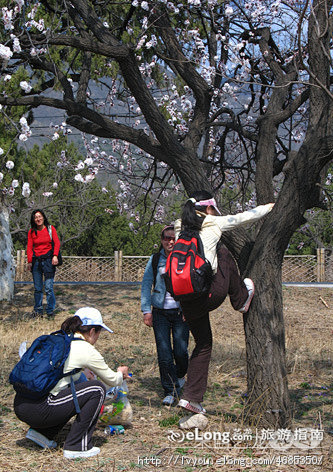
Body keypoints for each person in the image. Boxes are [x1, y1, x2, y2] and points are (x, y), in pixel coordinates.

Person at [174, 190, 274, 415]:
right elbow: (244, 217)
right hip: (209, 294)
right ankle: (241, 299)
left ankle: (191, 398)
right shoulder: (213, 223)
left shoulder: (179, 225)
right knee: (224, 253)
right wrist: (269, 207)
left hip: (187, 301)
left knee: (203, 343)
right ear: (208, 208)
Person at [14, 307, 130, 459]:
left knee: (70, 390)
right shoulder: (86, 349)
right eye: (100, 332)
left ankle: (42, 433)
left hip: (21, 405)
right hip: (41, 410)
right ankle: (76, 446)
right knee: (97, 389)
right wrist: (121, 373)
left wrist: (80, 373)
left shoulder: (60, 339)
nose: (98, 337)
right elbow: (112, 380)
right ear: (92, 331)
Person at [141, 225, 189, 406]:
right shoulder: (155, 260)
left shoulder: (185, 258)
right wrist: (146, 310)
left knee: (181, 351)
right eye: (166, 238)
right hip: (160, 311)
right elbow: (146, 284)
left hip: (181, 313)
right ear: (162, 240)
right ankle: (169, 389)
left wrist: (189, 310)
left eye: (173, 238)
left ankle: (179, 375)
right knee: (164, 353)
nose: (170, 241)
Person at [26, 209, 60, 318]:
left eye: (39, 216)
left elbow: (57, 242)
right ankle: (38, 310)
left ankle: (50, 310)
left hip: (48, 260)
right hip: (36, 261)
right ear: (33, 220)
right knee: (38, 288)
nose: (38, 219)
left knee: (49, 287)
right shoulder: (32, 232)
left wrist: (55, 255)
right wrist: (30, 261)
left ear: (43, 217)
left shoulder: (50, 229)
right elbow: (30, 247)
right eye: (36, 217)